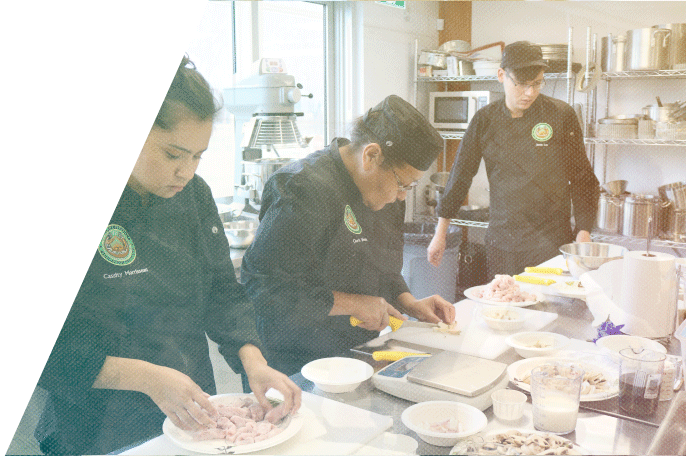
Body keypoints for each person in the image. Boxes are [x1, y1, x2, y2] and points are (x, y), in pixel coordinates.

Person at [34, 55, 301, 455]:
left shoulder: (193, 197)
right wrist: (148, 378)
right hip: (96, 422)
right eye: (173, 155)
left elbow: (222, 295)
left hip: (190, 409)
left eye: (198, 156)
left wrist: (254, 362)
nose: (187, 172)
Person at [240, 95, 457, 376]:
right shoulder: (302, 189)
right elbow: (266, 289)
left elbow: (384, 268)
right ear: (371, 156)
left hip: (359, 350)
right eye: (402, 183)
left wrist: (409, 302)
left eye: (411, 186)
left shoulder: (387, 194)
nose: (402, 195)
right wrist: (355, 304)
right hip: (294, 361)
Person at [428, 41, 599, 278]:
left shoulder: (560, 115)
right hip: (503, 242)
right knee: (504, 306)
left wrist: (583, 230)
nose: (529, 93)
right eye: (521, 84)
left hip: (550, 242)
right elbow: (461, 174)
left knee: (547, 309)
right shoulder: (484, 120)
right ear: (501, 75)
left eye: (537, 84)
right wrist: (441, 233)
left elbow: (582, 178)